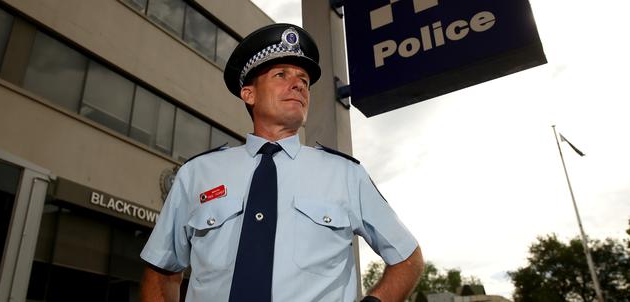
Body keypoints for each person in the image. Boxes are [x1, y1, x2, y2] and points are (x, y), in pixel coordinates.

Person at [140, 23, 424, 302]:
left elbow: (407, 258)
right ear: (248, 93)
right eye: (281, 74)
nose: (299, 84)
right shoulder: (196, 174)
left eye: (304, 79)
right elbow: (161, 272)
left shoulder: (346, 174)